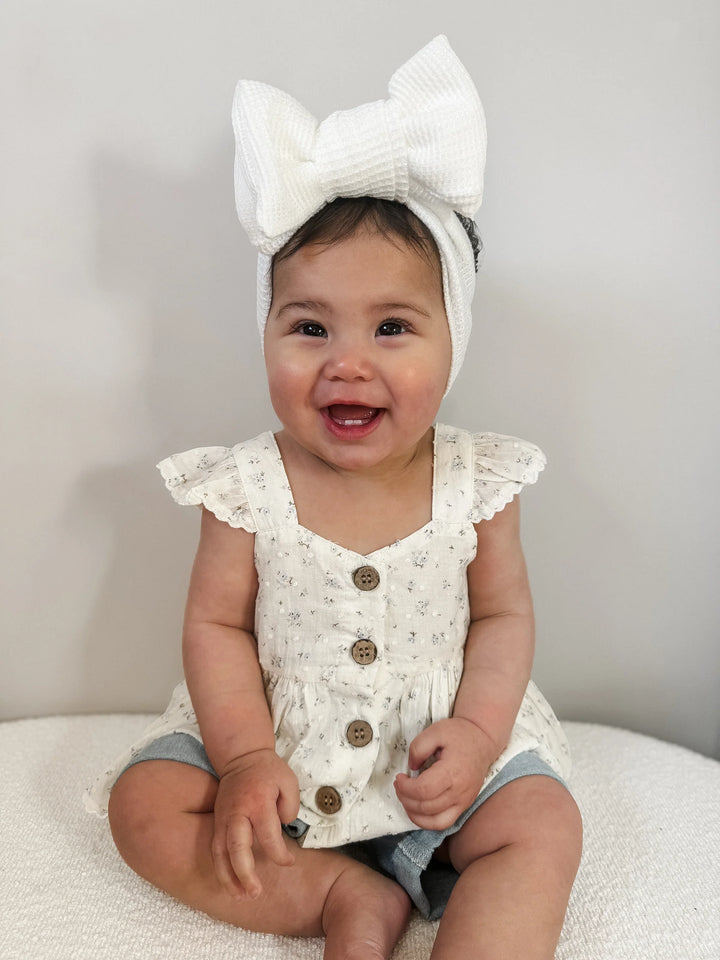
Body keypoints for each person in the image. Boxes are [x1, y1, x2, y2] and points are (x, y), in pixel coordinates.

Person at [86, 35, 582, 959]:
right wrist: (239, 758)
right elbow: (218, 627)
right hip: (271, 741)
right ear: (267, 333)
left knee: (544, 824)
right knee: (142, 808)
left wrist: (478, 734)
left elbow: (504, 617)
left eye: (393, 326)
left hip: (432, 755)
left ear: (453, 343)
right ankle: (335, 899)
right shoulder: (244, 486)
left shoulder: (479, 481)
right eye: (308, 326)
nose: (346, 363)